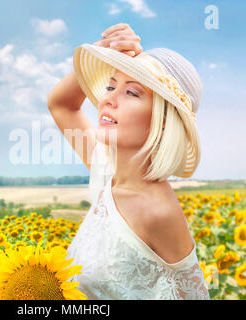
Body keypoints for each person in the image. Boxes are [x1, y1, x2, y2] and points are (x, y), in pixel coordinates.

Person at [47, 23, 210, 300]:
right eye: (111, 85)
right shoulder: (107, 171)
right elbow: (61, 104)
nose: (108, 98)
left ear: (162, 121)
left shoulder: (156, 210)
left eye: (131, 92)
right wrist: (104, 49)